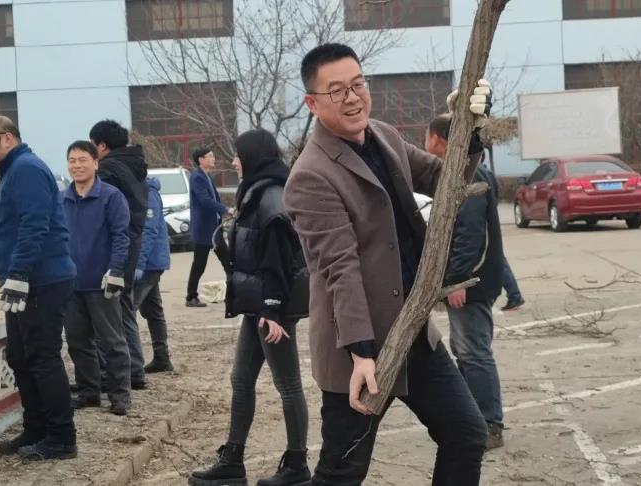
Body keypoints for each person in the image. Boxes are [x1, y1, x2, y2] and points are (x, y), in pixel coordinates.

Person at [283, 43, 492, 484]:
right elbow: (338, 270)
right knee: (342, 474)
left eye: (358, 84)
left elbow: (446, 180)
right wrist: (361, 353)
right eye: (336, 91)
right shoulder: (310, 175)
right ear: (312, 103)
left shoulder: (383, 136)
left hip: (414, 330)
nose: (352, 98)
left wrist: (470, 133)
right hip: (360, 351)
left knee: (467, 435)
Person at [190, 129, 311, 486]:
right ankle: (233, 460)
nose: (233, 161)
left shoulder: (272, 197)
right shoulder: (255, 192)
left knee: (288, 384)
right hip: (256, 306)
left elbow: (278, 261)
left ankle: (297, 465)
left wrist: (272, 311)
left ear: (254, 156)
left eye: (238, 154)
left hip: (272, 310)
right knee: (241, 379)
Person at [0, 116, 77, 461]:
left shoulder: (27, 169)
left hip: (40, 280)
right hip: (22, 281)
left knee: (42, 357)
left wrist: (20, 273)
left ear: (6, 138)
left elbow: (34, 224)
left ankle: (61, 438)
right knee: (20, 357)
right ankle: (36, 429)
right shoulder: (13, 171)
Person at [425, 113, 507, 449]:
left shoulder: (468, 176)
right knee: (466, 350)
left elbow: (471, 235)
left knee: (474, 353)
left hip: (471, 283)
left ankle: (489, 424)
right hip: (472, 280)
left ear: (440, 139)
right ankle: (473, 421)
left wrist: (458, 280)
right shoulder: (460, 172)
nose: (425, 144)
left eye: (427, 137)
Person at [61, 140, 133, 416]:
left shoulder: (111, 196)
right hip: (71, 284)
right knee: (78, 342)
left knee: (112, 342)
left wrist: (116, 270)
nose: (77, 166)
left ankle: (120, 395)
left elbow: (121, 237)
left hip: (102, 283)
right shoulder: (62, 199)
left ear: (95, 163)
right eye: (72, 160)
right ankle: (89, 392)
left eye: (82, 160)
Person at [90, 119, 150, 389]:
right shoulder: (135, 166)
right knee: (125, 312)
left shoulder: (108, 170)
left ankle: (114, 375)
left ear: (102, 146)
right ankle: (135, 371)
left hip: (114, 250)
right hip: (131, 247)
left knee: (108, 318)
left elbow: (98, 211)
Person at [135, 175, 174, 373]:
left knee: (128, 310)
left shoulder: (148, 192)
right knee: (153, 309)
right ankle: (162, 358)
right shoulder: (141, 189)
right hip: (150, 261)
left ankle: (133, 366)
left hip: (149, 263)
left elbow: (148, 230)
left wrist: (139, 263)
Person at [186, 147, 232, 308]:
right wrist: (226, 209)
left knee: (227, 260)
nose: (213, 158)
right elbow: (205, 201)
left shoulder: (206, 176)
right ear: (201, 159)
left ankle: (234, 292)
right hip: (204, 229)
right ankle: (191, 296)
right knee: (199, 264)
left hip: (214, 228)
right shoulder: (197, 177)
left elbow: (213, 199)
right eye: (210, 156)